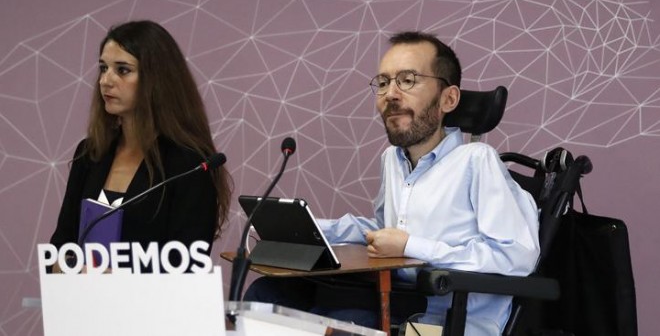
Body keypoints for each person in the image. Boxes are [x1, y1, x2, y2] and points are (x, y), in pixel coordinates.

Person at [244, 31, 540, 335]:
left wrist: (412, 246)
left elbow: (515, 256)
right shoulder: (392, 159)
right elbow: (384, 231)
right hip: (396, 297)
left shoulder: (477, 161)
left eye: (408, 80)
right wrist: (303, 230)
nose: (391, 94)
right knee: (266, 295)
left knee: (343, 319)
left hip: (448, 316)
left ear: (448, 99)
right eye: (383, 83)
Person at [49, 20, 232, 272]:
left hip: (152, 309)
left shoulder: (189, 165)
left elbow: (187, 266)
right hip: (80, 303)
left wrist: (109, 278)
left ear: (157, 79)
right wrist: (72, 269)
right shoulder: (90, 153)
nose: (105, 80)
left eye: (122, 70)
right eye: (103, 68)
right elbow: (60, 247)